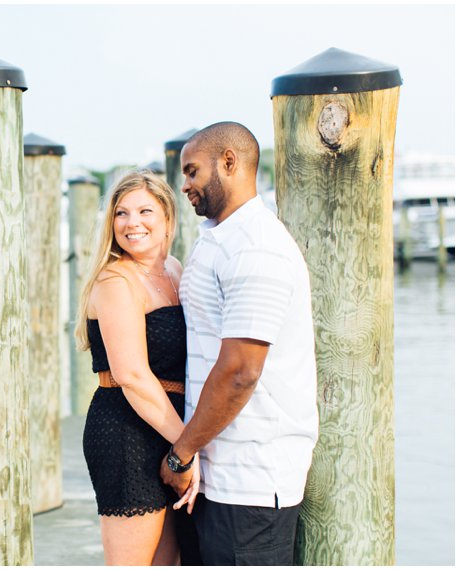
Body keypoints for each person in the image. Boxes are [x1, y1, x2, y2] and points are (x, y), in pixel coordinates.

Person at [160, 121, 319, 565]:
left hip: (250, 481)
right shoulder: (219, 238)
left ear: (228, 162)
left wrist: (180, 454)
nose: (184, 184)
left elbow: (240, 371)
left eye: (192, 171)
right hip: (214, 475)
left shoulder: (256, 247)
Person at [75, 170, 202, 566]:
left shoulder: (177, 271)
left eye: (145, 211)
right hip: (126, 431)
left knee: (168, 561)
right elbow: (130, 374)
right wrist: (187, 447)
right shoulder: (116, 280)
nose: (133, 223)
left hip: (168, 426)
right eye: (122, 213)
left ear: (168, 218)